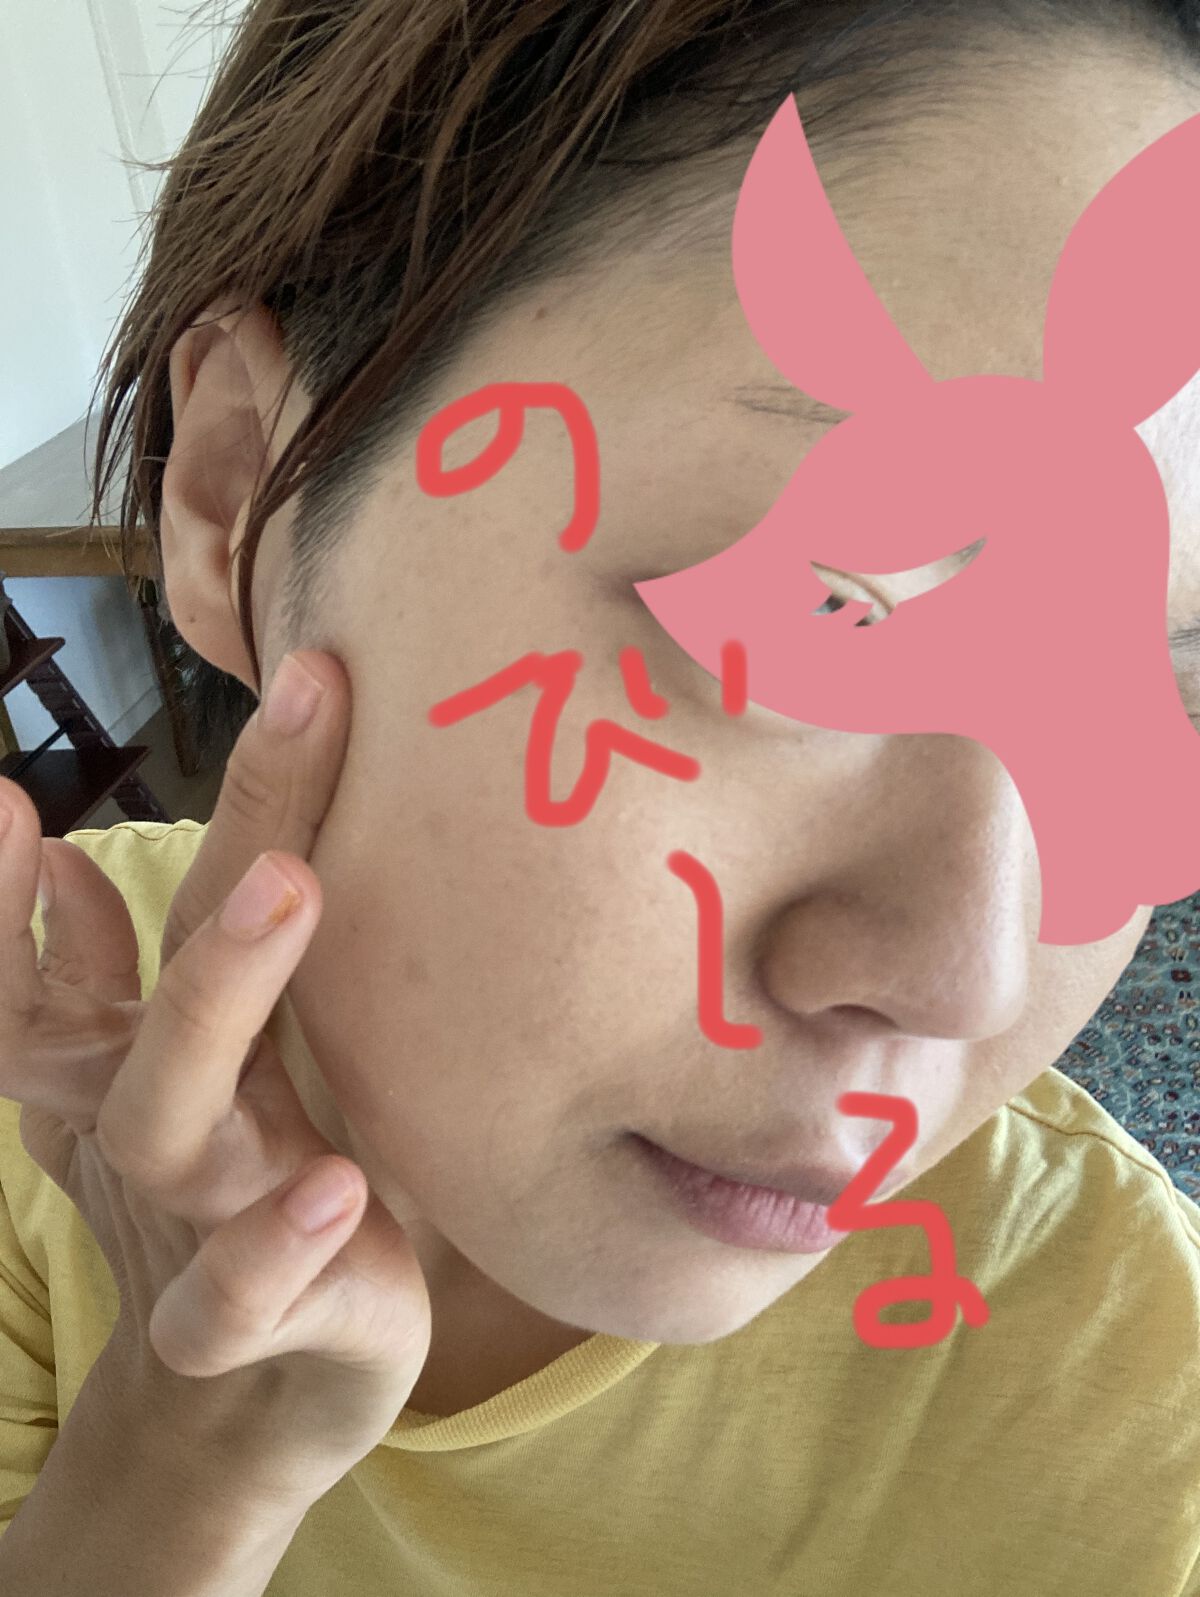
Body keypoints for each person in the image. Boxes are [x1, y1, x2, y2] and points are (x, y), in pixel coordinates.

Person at [1, 1, 1198, 1592]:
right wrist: (179, 1464)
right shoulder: (34, 1064)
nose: (963, 977)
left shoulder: (1132, 1407)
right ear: (235, 492)